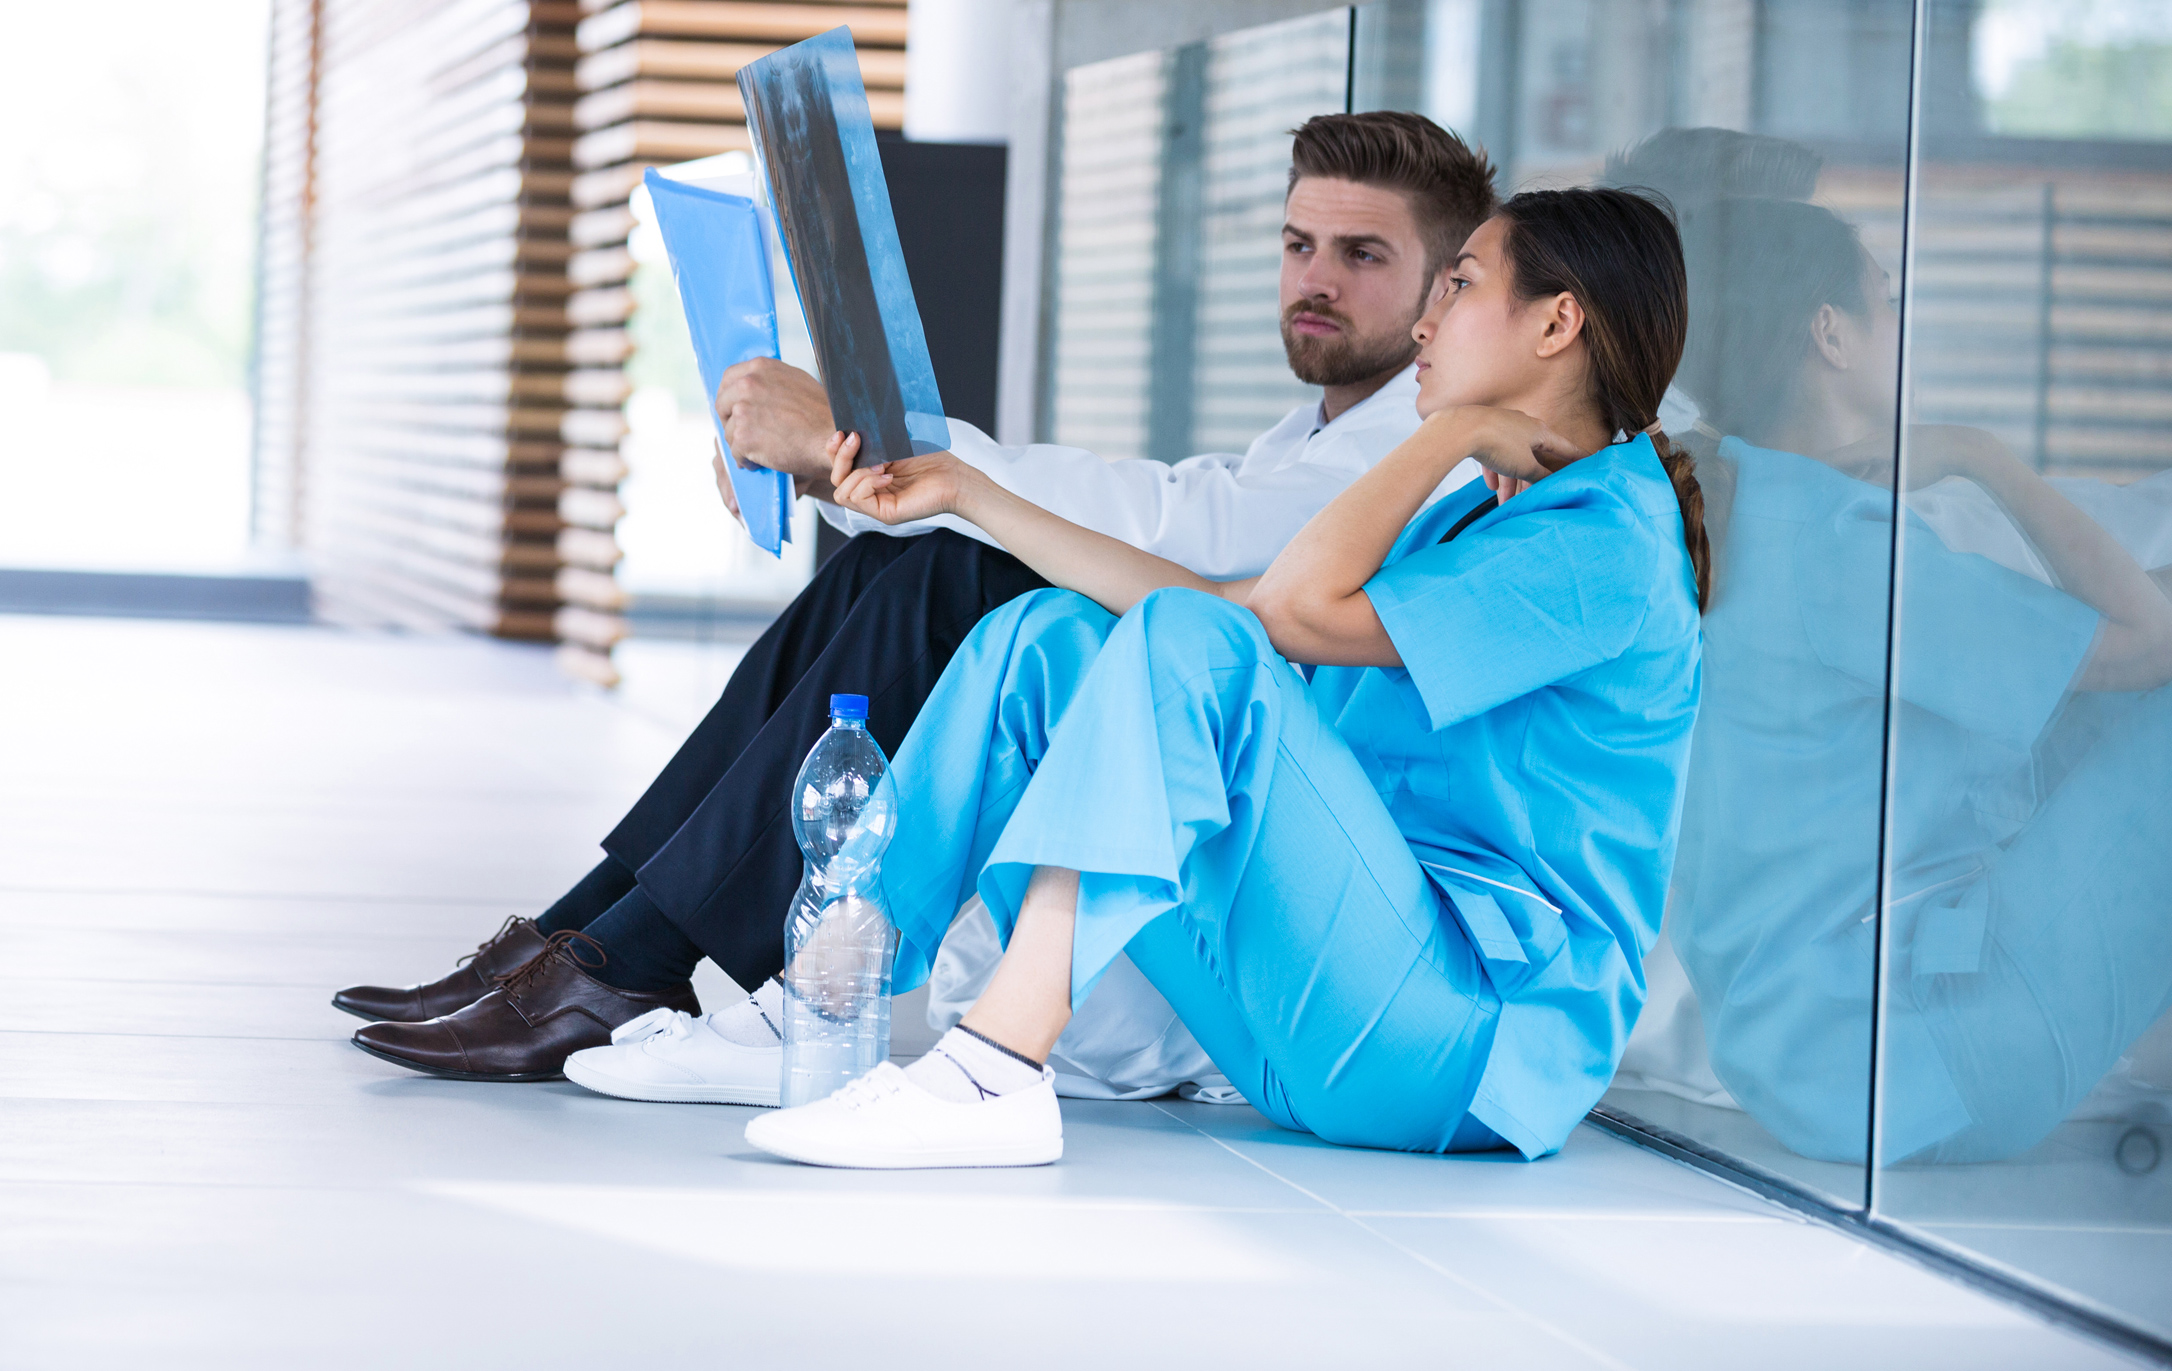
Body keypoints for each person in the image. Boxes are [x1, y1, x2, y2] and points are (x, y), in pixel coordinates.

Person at [336, 111, 1501, 1088]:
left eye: (1361, 256)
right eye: (1299, 244)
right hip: (1193, 807)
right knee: (894, 569)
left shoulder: (1422, 451)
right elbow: (1169, 505)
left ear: (1447, 288)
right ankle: (591, 936)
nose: (1314, 281)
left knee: (958, 572)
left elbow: (1167, 532)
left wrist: (874, 443)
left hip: (1259, 895)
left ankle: (636, 954)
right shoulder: (1318, 429)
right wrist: (862, 472)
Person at [739, 185, 1709, 1168]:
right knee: (1047, 636)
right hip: (1315, 1018)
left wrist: (1447, 433)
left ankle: (995, 1068)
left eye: (1458, 284)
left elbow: (1276, 616)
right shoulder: (1474, 520)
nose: (1424, 317)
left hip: (1459, 1039)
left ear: (1556, 321)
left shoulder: (1605, 536)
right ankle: (816, 1008)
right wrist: (972, 495)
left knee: (1178, 637)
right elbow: (1224, 609)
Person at [1658, 194, 2172, 1165]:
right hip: (1920, 1061)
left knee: (2078, 712)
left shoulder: (1738, 503)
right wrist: (1977, 455)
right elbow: (2150, 642)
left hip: (1798, 1055)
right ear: (1829, 333)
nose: (1902, 327)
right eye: (1886, 301)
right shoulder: (1840, 545)